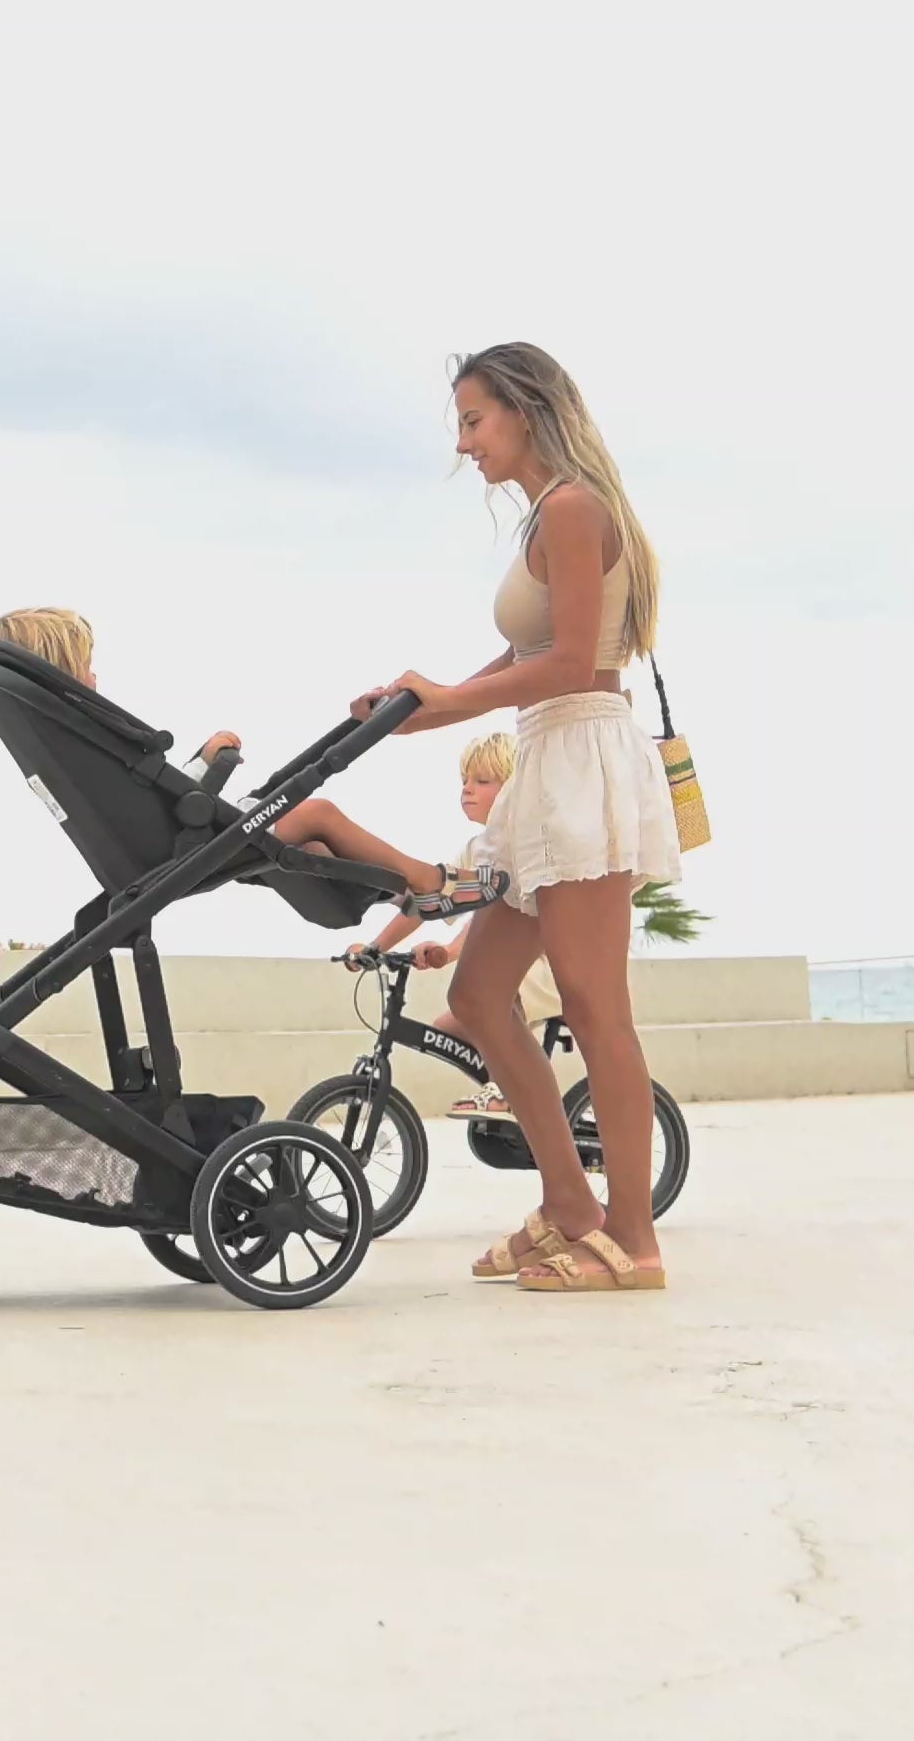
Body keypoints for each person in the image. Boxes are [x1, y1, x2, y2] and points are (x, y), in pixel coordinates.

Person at [353, 342, 681, 1293]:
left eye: (474, 421)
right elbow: (524, 657)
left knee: (594, 1005)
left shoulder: (574, 509)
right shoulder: (552, 514)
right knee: (478, 996)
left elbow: (573, 662)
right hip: (551, 758)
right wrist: (422, 707)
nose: (464, 445)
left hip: (583, 759)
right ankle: (571, 1206)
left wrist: (447, 700)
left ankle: (635, 1241)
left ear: (526, 411)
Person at [0, 607, 492, 907]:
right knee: (316, 814)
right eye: (86, 665)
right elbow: (151, 788)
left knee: (308, 844)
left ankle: (397, 896)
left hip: (158, 843)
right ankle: (430, 882)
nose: (94, 676)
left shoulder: (58, 738)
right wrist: (203, 763)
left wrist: (355, 726)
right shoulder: (82, 727)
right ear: (60, 668)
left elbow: (135, 795)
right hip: (178, 842)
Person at [343, 732, 561, 1122]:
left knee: (494, 993)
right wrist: (376, 947)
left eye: (483, 780)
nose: (467, 789)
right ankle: (514, 1087)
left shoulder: (526, 844)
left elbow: (498, 917)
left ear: (515, 789)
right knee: (449, 1026)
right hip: (508, 960)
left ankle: (509, 1092)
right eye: (464, 780)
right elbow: (427, 901)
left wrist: (452, 951)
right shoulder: (476, 849)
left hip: (547, 965)